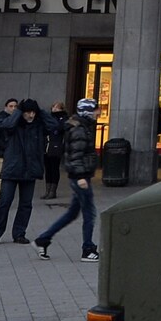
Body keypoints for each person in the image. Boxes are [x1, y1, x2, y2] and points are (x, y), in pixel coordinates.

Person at [35, 98, 102, 261]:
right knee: (89, 213)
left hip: (80, 176)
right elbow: (76, 155)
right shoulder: (79, 129)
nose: (98, 113)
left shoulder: (81, 127)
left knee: (73, 213)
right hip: (81, 177)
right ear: (87, 111)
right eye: (95, 110)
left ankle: (43, 239)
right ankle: (87, 249)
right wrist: (80, 177)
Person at [0, 99, 47, 244]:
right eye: (28, 112)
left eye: (33, 112)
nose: (31, 115)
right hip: (12, 169)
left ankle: (19, 233)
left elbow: (55, 126)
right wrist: (18, 112)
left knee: (26, 204)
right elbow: (3, 127)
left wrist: (40, 111)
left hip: (30, 170)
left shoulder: (38, 126)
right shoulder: (14, 125)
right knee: (5, 202)